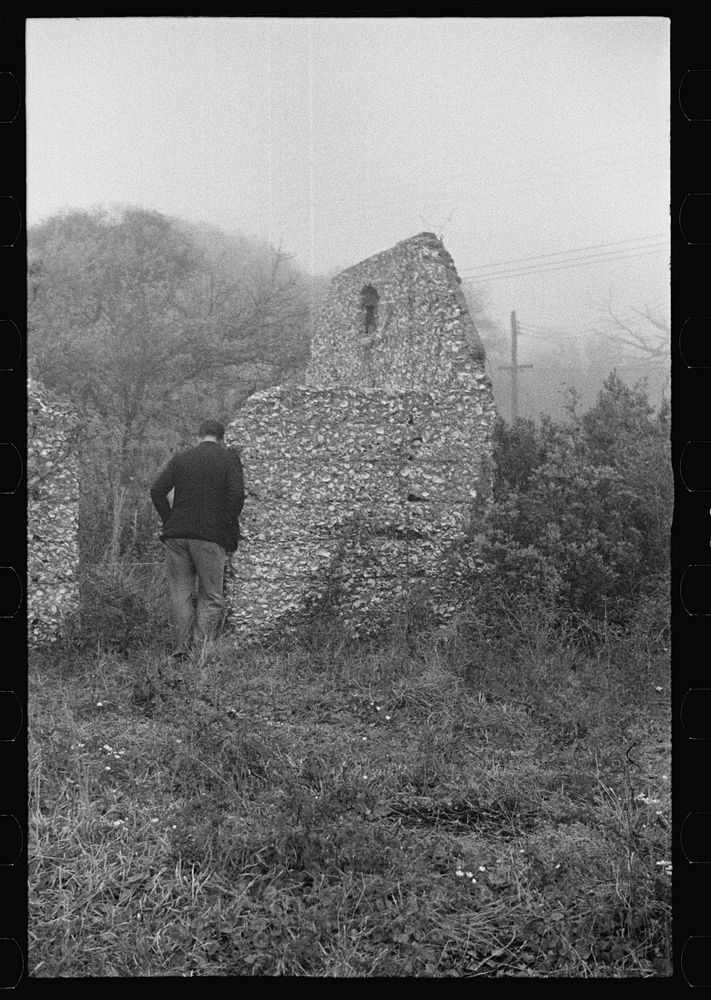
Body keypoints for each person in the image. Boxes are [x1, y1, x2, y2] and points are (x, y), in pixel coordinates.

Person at [150, 419, 244, 657]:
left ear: (199, 436)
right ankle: (199, 651)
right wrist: (228, 523)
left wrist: (169, 520)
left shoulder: (182, 459)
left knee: (179, 593)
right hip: (210, 537)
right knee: (211, 595)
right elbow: (236, 495)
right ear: (221, 439)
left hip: (177, 536)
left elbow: (156, 491)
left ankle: (180, 650)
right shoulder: (228, 459)